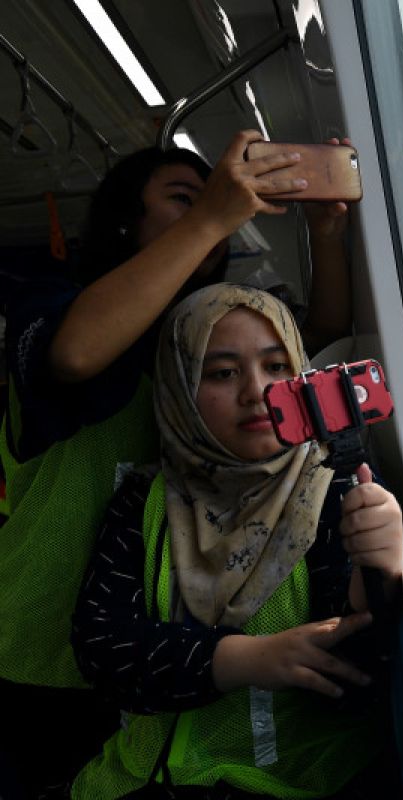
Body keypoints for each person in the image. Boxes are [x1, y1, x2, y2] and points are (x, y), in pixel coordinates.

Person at [0, 130, 352, 799]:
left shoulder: (202, 335)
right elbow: (76, 355)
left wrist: (326, 236)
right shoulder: (50, 305)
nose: (249, 387)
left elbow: (320, 347)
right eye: (184, 199)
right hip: (40, 656)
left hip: (150, 645)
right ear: (125, 219)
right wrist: (215, 212)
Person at [71, 284, 403, 799]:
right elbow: (101, 650)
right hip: (148, 781)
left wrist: (376, 575)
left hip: (309, 783)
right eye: (223, 373)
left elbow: (359, 683)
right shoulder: (144, 502)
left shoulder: (339, 487)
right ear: (179, 389)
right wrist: (242, 659)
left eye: (277, 367)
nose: (257, 392)